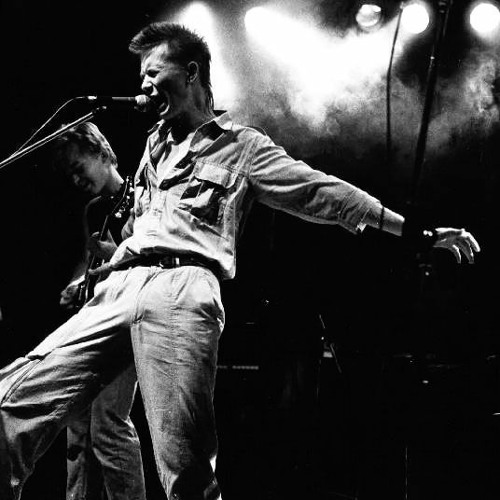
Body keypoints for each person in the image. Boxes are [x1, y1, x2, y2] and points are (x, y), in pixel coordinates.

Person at [0, 22, 480, 500]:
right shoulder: (153, 145)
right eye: (140, 76)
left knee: (185, 467)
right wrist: (111, 260)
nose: (143, 84)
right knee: (12, 401)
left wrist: (415, 232)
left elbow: (321, 191)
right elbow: (146, 227)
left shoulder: (242, 146)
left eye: (153, 72)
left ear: (190, 73)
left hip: (182, 289)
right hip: (120, 286)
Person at [53, 122, 146, 500]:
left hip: (125, 319)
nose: (77, 180)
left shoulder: (142, 197)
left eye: (80, 168)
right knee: (76, 424)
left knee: (108, 423)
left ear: (102, 152)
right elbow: (90, 261)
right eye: (71, 175)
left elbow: (148, 262)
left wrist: (116, 255)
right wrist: (77, 282)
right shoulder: (94, 209)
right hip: (94, 318)